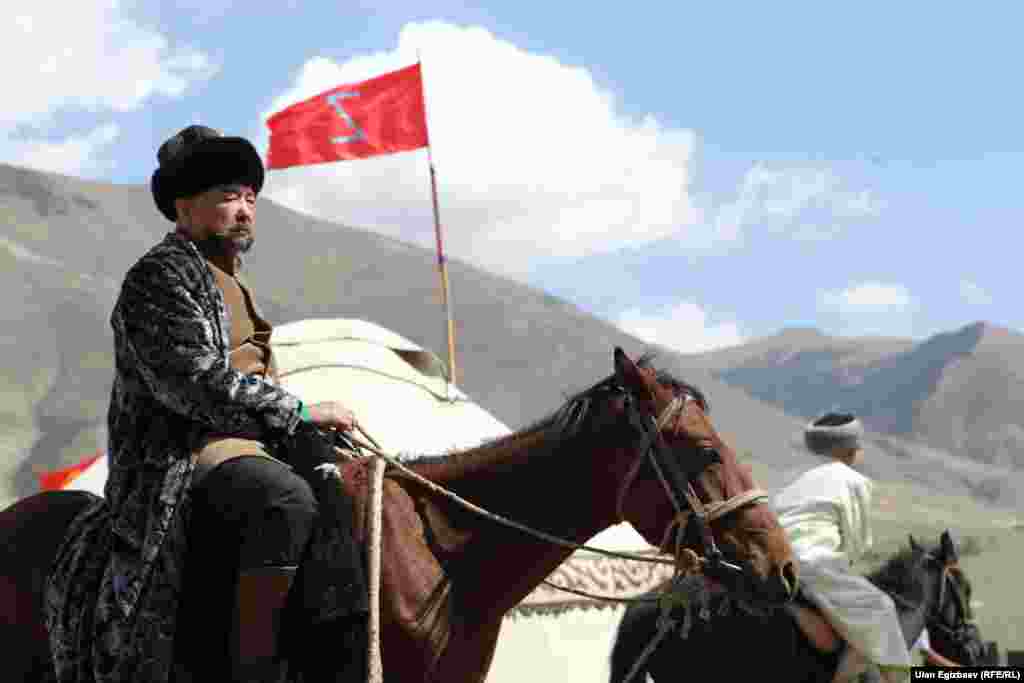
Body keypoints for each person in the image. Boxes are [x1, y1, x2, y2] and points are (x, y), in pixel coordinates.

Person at [45, 125, 370, 683]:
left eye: (250, 198)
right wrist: (297, 412)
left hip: (255, 436)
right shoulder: (159, 277)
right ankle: (254, 668)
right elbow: (193, 382)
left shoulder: (232, 281)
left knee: (353, 491)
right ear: (184, 207)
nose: (244, 210)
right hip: (185, 447)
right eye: (227, 196)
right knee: (283, 498)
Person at [773, 412, 912, 683]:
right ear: (848, 450)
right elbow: (855, 543)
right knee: (882, 611)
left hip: (777, 559)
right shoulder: (853, 480)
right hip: (814, 563)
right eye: (858, 445)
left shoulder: (790, 478)